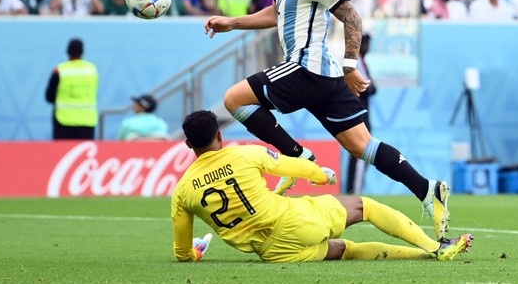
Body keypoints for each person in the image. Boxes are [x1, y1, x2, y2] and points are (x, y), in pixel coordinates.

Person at [204, 0, 451, 240]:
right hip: (323, 76)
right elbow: (276, 13)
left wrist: (351, 65)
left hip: (306, 68)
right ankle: (427, 189)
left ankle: (297, 156)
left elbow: (352, 17)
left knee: (235, 99)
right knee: (362, 145)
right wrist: (232, 22)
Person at [171, 110, 472, 262]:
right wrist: (320, 175)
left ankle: (423, 256)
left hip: (273, 253)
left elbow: (182, 252)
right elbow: (294, 164)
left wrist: (194, 253)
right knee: (364, 206)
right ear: (219, 137)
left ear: (188, 144)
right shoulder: (244, 153)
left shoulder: (183, 191)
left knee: (346, 250)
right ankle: (435, 247)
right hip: (292, 222)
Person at [45, 38, 98, 140]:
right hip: (87, 121)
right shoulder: (92, 70)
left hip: (64, 121)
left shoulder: (60, 70)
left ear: (67, 51)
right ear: (83, 52)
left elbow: (49, 97)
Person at [345, 33, 375, 194]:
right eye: (365, 42)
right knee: (361, 154)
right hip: (359, 115)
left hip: (362, 115)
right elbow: (367, 88)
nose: (367, 46)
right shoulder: (354, 63)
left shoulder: (362, 62)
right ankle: (354, 191)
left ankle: (354, 189)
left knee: (361, 156)